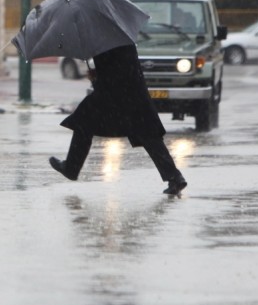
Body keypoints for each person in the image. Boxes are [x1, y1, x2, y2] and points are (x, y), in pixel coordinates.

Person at [49, 44, 188, 196]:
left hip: (117, 96)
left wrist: (95, 78)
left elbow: (112, 74)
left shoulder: (104, 42)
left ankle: (71, 168)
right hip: (133, 95)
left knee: (84, 121)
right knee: (149, 136)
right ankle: (175, 177)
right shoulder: (119, 37)